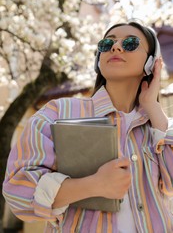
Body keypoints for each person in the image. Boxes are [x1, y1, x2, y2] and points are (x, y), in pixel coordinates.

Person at [3, 21, 173, 233]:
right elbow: (17, 190)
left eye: (130, 43)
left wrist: (153, 108)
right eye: (106, 43)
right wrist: (94, 185)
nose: (116, 47)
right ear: (97, 60)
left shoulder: (159, 127)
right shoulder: (57, 113)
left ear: (151, 64)